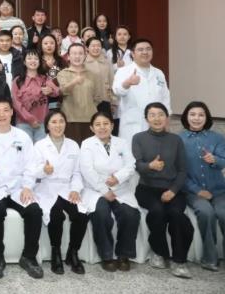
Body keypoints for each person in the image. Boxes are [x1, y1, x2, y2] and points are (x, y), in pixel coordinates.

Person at [0, 99, 43, 279]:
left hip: (18, 186)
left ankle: (29, 257)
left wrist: (27, 186)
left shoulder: (22, 136)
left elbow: (31, 164)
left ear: (12, 112)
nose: (2, 114)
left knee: (34, 211)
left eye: (6, 110)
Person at [133, 102, 194, 279]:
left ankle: (179, 261)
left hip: (172, 189)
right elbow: (137, 165)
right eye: (152, 115)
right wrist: (149, 166)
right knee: (157, 211)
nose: (157, 118)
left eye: (160, 114)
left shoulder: (176, 140)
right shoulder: (138, 138)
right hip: (147, 188)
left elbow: (182, 170)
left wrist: (173, 191)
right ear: (146, 119)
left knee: (177, 215)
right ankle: (160, 253)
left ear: (167, 118)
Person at [80, 111, 140, 272]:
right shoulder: (87, 144)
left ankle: (124, 254)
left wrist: (118, 178)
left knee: (131, 214)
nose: (102, 127)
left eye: (106, 124)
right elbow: (87, 170)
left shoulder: (122, 142)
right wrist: (104, 190)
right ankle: (106, 255)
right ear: (92, 128)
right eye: (98, 125)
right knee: (101, 214)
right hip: (95, 189)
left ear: (112, 126)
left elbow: (131, 165)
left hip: (120, 188)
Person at [32, 110, 88, 275]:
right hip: (47, 187)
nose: (58, 125)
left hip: (67, 188)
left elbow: (77, 173)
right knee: (56, 215)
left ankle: (73, 252)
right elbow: (33, 172)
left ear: (65, 124)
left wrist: (75, 189)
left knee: (81, 215)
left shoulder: (73, 145)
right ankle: (55, 252)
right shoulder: (39, 146)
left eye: (61, 121)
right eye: (54, 122)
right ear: (47, 126)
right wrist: (44, 170)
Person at [179, 101, 225, 271]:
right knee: (206, 213)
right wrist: (197, 190)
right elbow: (178, 172)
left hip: (219, 190)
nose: (196, 118)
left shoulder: (217, 138)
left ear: (207, 117)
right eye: (192, 114)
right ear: (186, 117)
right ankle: (209, 258)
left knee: (224, 213)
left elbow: (224, 161)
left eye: (201, 115)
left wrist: (215, 160)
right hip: (193, 192)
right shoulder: (179, 140)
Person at [112, 38, 170, 142]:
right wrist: (128, 83)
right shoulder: (123, 71)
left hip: (156, 123)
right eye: (140, 49)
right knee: (132, 150)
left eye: (148, 49)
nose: (145, 52)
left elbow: (165, 97)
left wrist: (167, 120)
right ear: (133, 54)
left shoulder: (158, 73)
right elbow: (117, 90)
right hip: (133, 124)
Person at [11, 49, 59, 142]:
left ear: (39, 62)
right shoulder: (18, 80)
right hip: (23, 123)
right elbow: (16, 104)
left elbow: (57, 91)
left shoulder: (45, 78)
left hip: (42, 122)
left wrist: (51, 91)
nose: (33, 61)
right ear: (24, 62)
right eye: (29, 58)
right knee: (24, 149)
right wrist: (30, 119)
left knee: (41, 149)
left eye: (36, 59)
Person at [56, 43, 101, 143]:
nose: (77, 56)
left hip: (90, 118)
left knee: (89, 149)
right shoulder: (62, 74)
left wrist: (89, 106)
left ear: (85, 55)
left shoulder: (92, 74)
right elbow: (62, 91)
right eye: (74, 53)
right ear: (68, 56)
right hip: (70, 119)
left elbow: (97, 97)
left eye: (80, 53)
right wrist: (74, 82)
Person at [85, 37, 116, 115]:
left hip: (105, 99)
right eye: (93, 46)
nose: (96, 48)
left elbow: (112, 81)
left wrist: (113, 101)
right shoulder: (83, 63)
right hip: (88, 101)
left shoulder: (107, 62)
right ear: (87, 48)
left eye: (98, 46)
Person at [39, 34, 66, 110]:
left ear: (56, 45)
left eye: (52, 43)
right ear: (41, 45)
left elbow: (65, 80)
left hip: (57, 99)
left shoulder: (61, 61)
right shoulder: (37, 60)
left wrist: (52, 68)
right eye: (46, 43)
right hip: (40, 99)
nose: (49, 45)